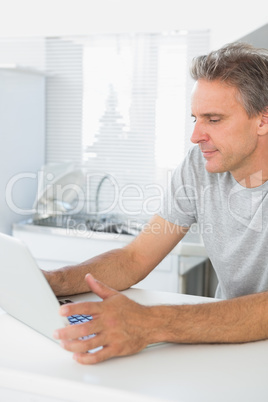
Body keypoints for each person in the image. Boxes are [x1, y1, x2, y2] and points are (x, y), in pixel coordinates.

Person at [45, 42, 268, 365]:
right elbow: (136, 257)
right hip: (231, 348)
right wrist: (55, 281)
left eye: (214, 119)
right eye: (195, 118)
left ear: (263, 120)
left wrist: (150, 323)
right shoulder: (199, 166)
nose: (196, 135)